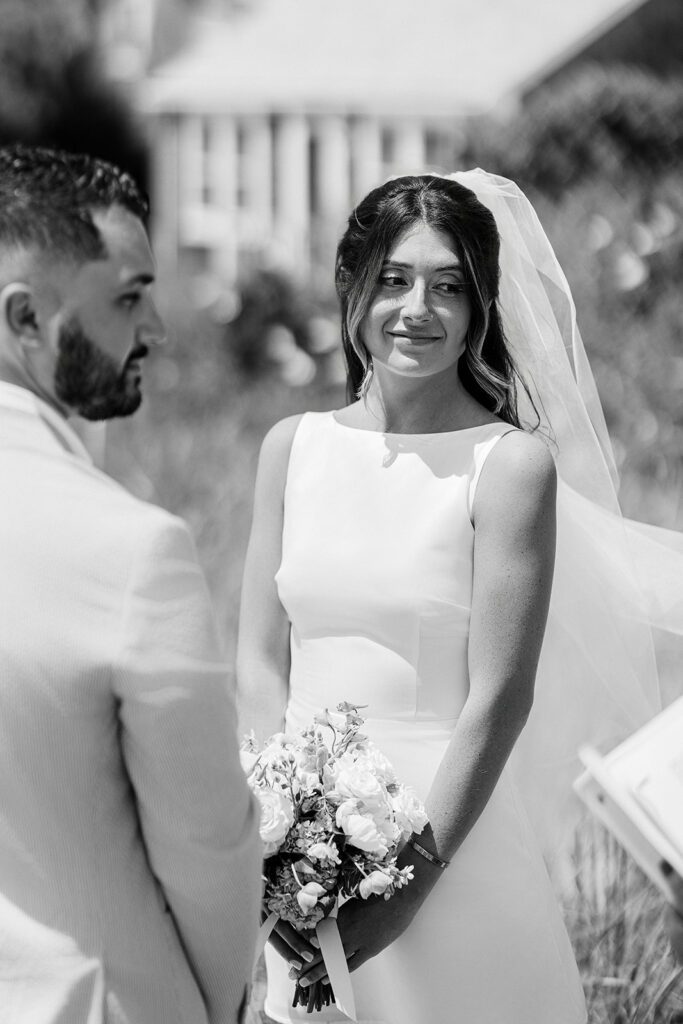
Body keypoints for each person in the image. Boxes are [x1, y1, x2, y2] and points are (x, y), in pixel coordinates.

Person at [238, 172, 600, 1024]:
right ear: (353, 285)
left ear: (479, 309)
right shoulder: (291, 447)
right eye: (394, 279)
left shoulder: (509, 465)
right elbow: (255, 660)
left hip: (452, 854)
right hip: (303, 874)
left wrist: (413, 881)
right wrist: (277, 843)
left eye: (448, 287)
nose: (416, 309)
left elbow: (500, 697)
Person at [0, 144, 261, 1024]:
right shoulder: (132, 552)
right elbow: (208, 844)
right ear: (26, 319)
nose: (156, 329)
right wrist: (220, 1005)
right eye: (126, 297)